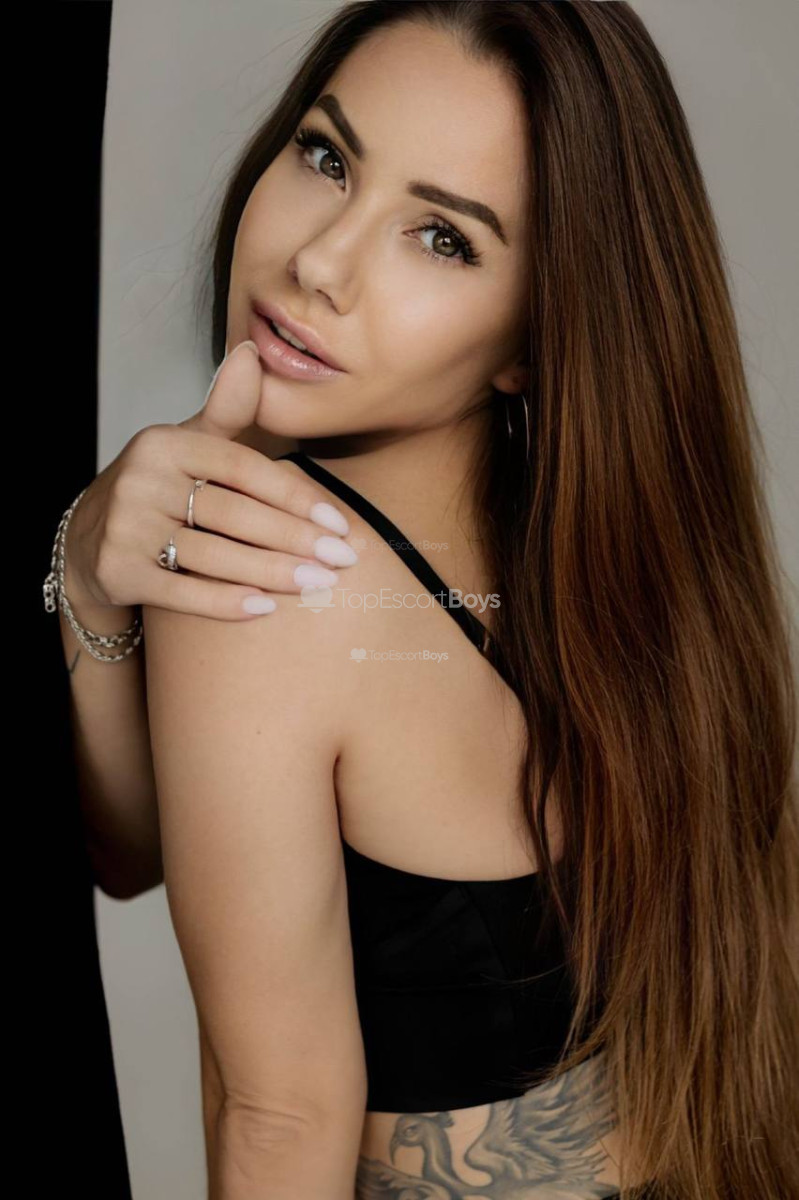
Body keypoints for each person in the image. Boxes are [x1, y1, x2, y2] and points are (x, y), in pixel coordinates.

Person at [47, 3, 798, 1198]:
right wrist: (91, 575)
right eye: (326, 156)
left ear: (533, 338)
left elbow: (276, 1116)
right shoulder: (637, 586)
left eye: (441, 238)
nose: (320, 262)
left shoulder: (274, 575)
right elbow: (135, 846)